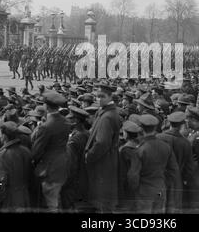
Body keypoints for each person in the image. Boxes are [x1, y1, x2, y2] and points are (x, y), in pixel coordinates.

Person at [127, 114, 178, 214]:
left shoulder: (140, 149)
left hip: (144, 191)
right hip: (160, 189)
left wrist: (134, 189)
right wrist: (164, 183)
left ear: (141, 129)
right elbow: (174, 170)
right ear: (155, 128)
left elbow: (133, 175)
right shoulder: (165, 146)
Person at [84, 83, 121, 213]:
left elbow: (102, 143)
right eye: (97, 96)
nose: (99, 99)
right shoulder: (105, 111)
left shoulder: (107, 116)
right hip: (106, 159)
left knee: (102, 197)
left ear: (110, 96)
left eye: (102, 96)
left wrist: (90, 155)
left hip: (103, 160)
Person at [31, 91, 71, 212]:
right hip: (62, 163)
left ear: (46, 106)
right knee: (56, 197)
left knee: (51, 202)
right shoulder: (65, 121)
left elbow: (37, 151)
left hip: (49, 167)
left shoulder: (46, 126)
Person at [156, 111, 194, 213]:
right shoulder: (185, 143)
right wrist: (186, 179)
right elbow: (189, 167)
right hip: (176, 180)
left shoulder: (158, 138)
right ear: (182, 125)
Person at [0, 121, 32, 212]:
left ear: (4, 136)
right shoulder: (26, 151)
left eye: (0, 134)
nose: (0, 136)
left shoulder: (3, 155)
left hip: (9, 201)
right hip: (25, 198)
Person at [60, 106, 90, 211]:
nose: (67, 120)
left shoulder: (74, 140)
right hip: (85, 177)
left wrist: (65, 182)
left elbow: (71, 165)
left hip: (74, 181)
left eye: (69, 118)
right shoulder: (87, 133)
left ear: (76, 121)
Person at [117, 120, 142, 213]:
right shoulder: (138, 146)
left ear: (126, 134)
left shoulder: (125, 150)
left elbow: (123, 171)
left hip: (127, 183)